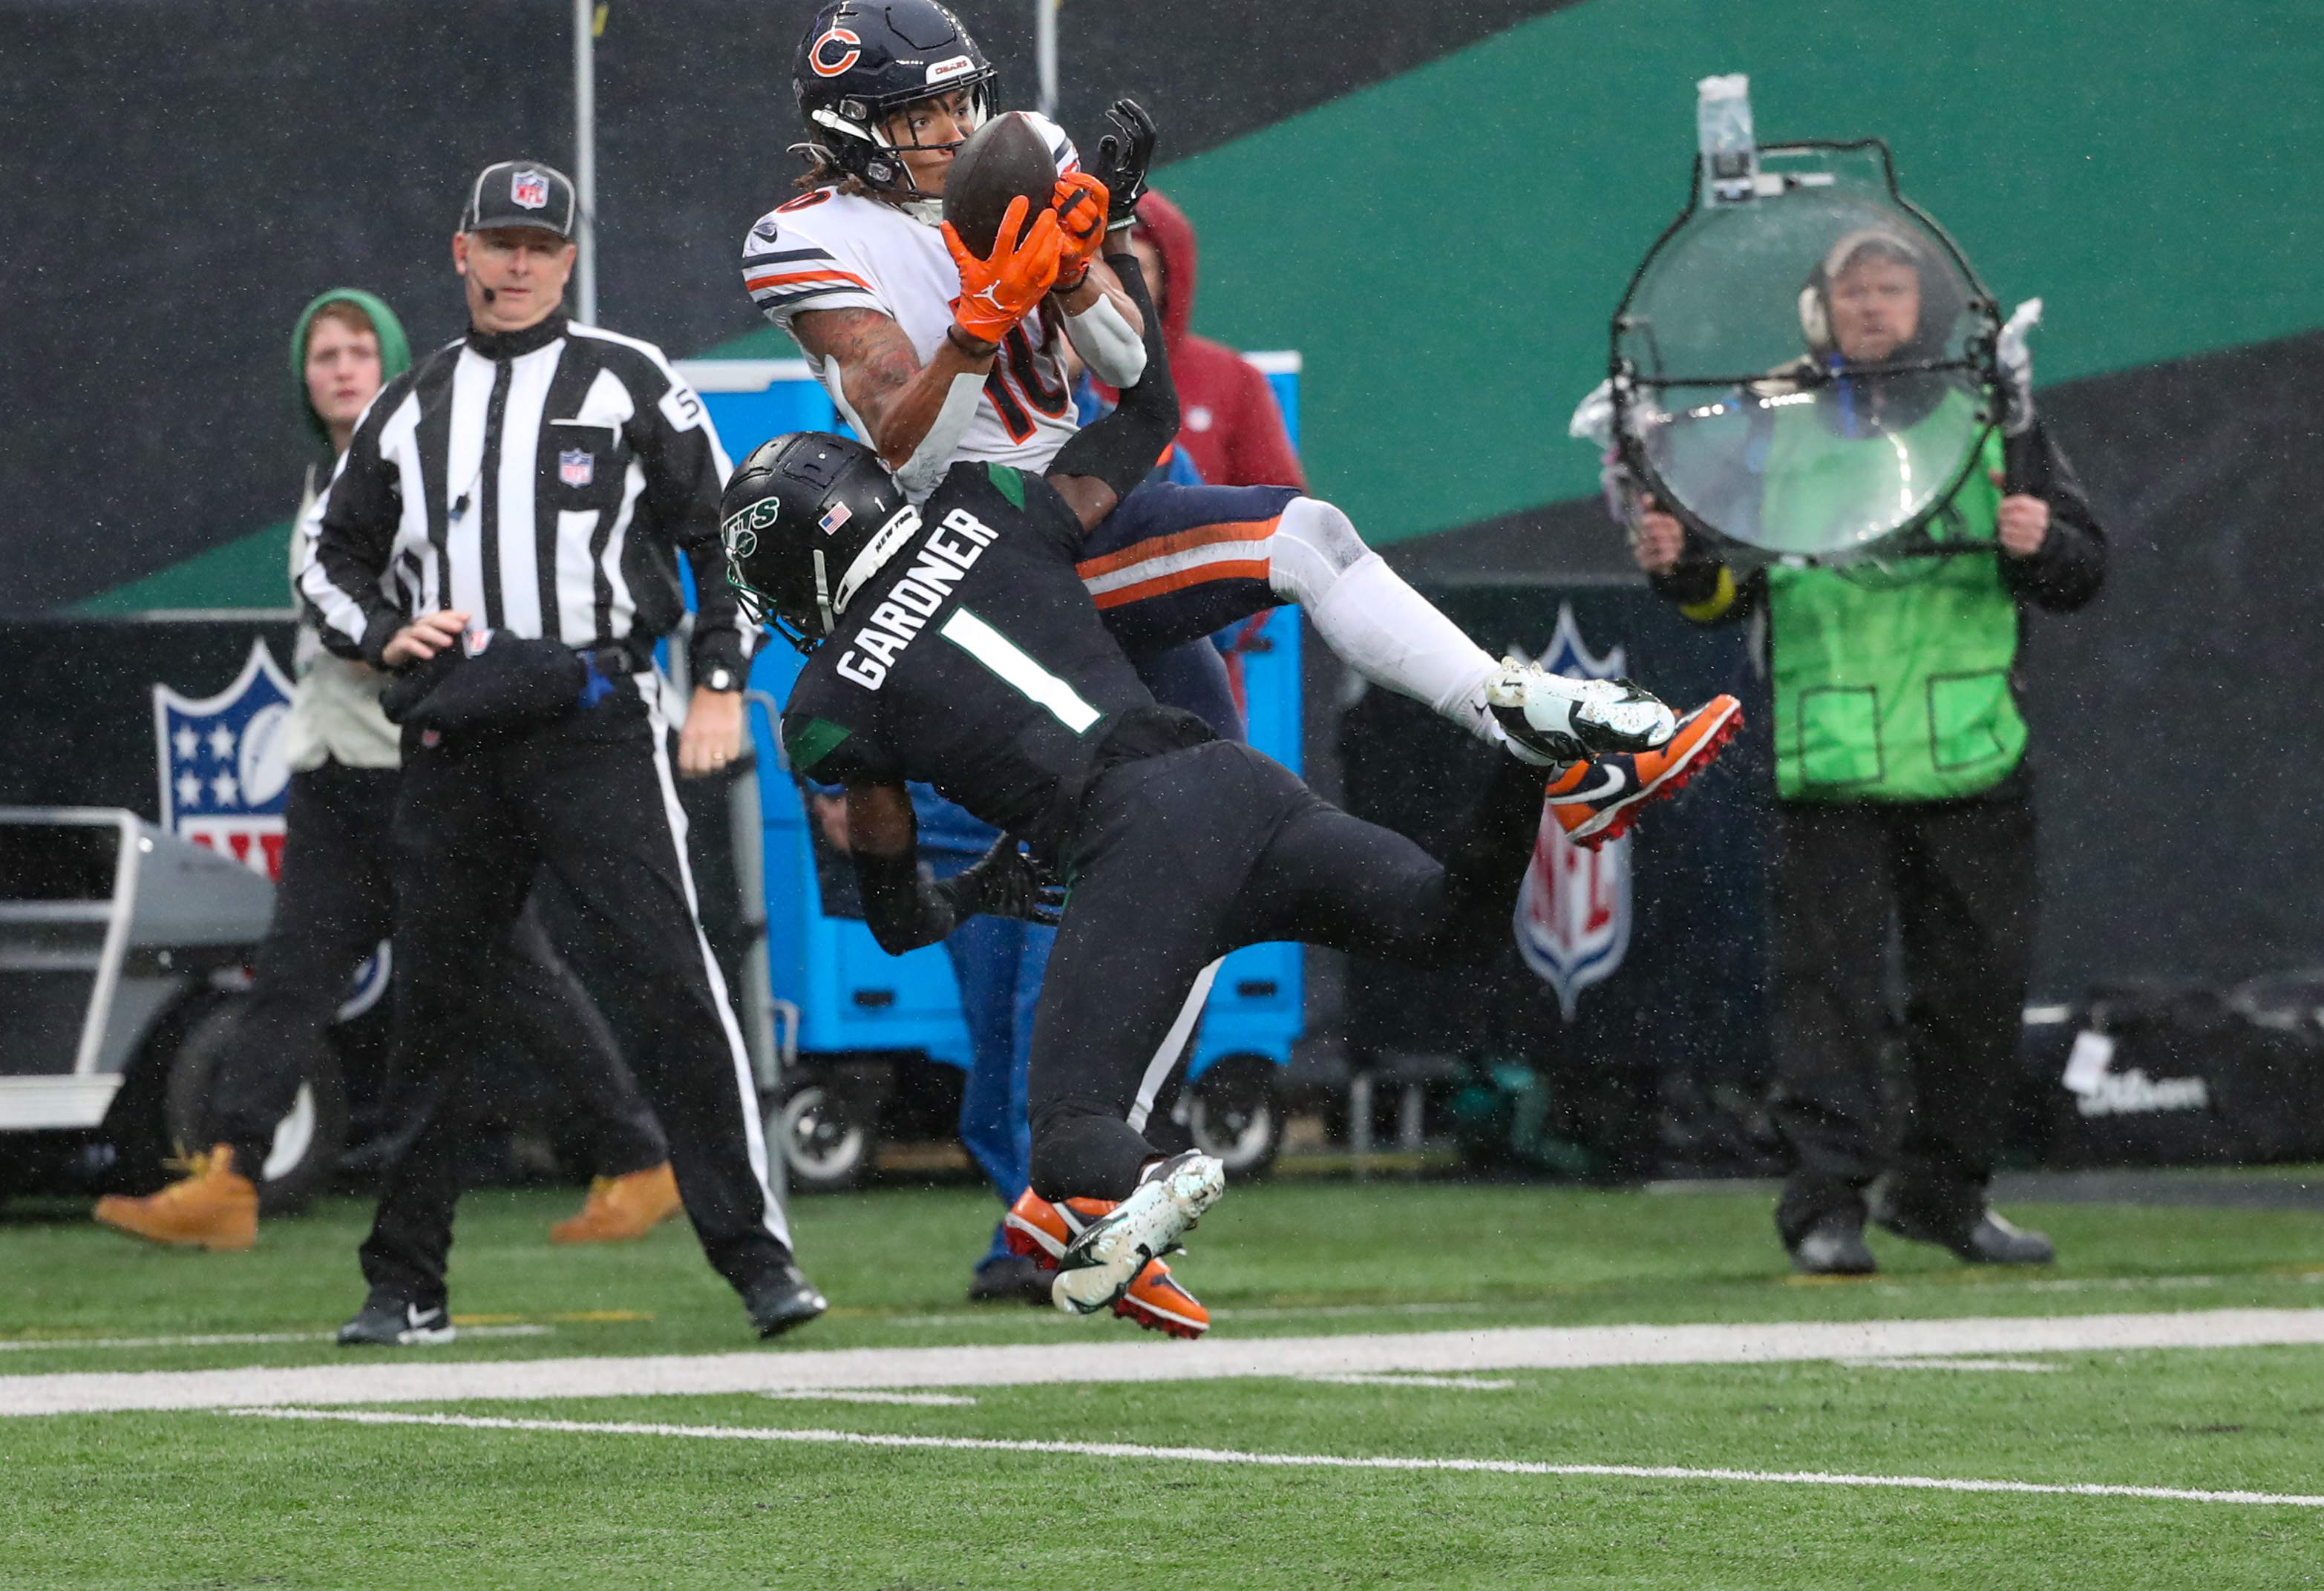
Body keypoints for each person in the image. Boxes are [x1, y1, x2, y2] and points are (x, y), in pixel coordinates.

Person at [724, 233, 1741, 1318]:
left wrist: (980, 889)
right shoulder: (989, 506)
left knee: (1068, 1132)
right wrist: (1092, 286)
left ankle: (1163, 1174)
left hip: (1126, 846)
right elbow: (1147, 421)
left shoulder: (825, 708)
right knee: (1446, 923)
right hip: (1226, 779)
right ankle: (1524, 750)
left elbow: (891, 915)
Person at [301, 160, 823, 1345]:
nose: (519, 261)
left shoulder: (631, 380)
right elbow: (327, 561)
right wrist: (384, 634)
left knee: (670, 986)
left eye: (541, 243)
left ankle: (757, 1263)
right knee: (433, 1011)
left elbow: (724, 536)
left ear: (570, 258)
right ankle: (406, 1285)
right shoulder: (408, 406)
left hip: (596, 720)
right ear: (462, 252)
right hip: (455, 735)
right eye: (500, 241)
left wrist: (722, 687)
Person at [93, 289, 684, 1254]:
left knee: (510, 972)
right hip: (335, 766)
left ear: (396, 362)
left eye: (360, 350)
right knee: (292, 975)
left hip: (421, 768)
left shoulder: (424, 466)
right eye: (322, 352)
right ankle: (234, 1174)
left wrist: (383, 638)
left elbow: (424, 619)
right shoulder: (328, 474)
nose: (339, 367)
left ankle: (638, 1157)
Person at [1632, 226, 2107, 1276]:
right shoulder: (1770, 425)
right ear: (1818, 312)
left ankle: (1944, 1197)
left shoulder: (1995, 416)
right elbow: (1721, 593)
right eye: (1851, 291)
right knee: (1828, 1002)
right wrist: (1676, 567)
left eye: (1891, 288)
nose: (1871, 307)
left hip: (1972, 752)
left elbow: (2079, 569)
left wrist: (2044, 542)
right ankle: (1825, 1208)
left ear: (1925, 306)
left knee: (1973, 996)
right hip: (1825, 752)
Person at [1116, 188, 1304, 492]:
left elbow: (1279, 505)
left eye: (1139, 266)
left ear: (1168, 279)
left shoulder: (1234, 380)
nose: (1121, 279)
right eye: (1105, 263)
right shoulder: (1058, 369)